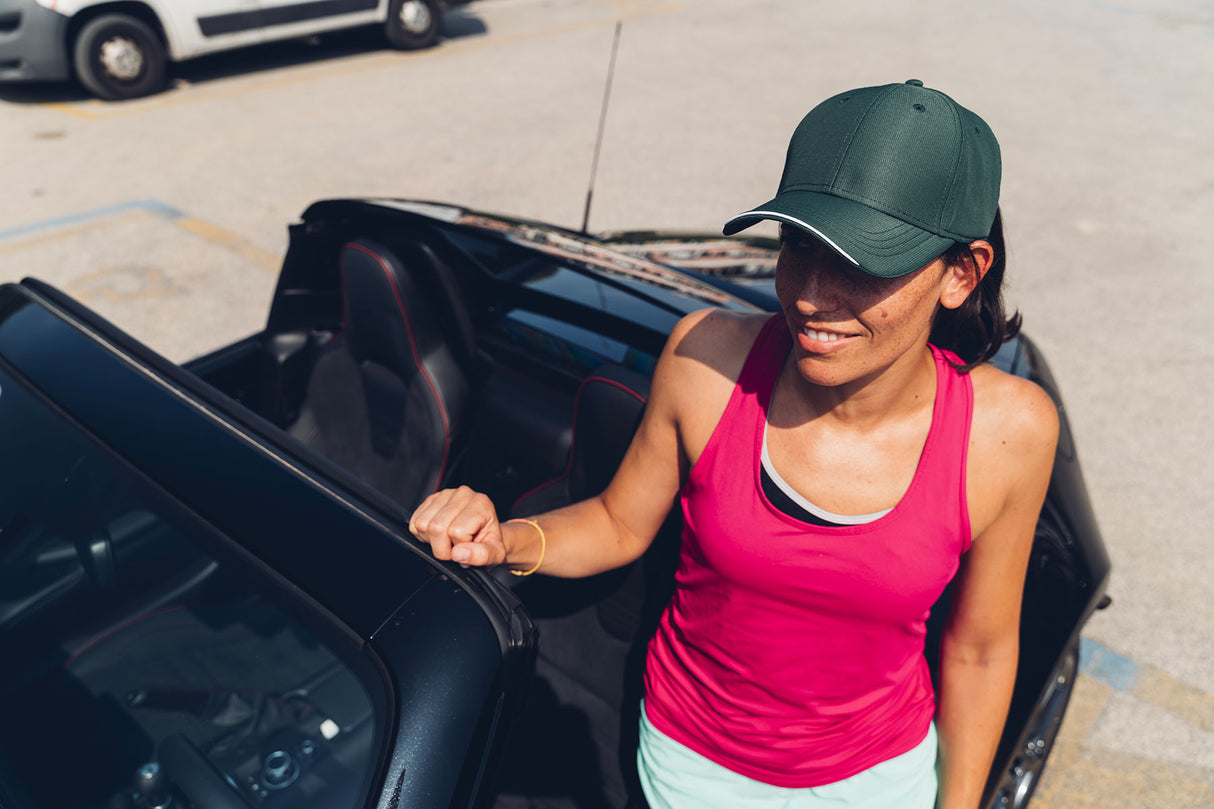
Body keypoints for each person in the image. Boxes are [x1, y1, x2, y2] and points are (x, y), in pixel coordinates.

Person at [409, 80, 1058, 809]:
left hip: (876, 783)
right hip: (688, 773)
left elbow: (981, 649)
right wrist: (506, 539)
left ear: (961, 274)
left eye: (861, 263)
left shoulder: (1010, 434)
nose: (809, 295)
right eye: (798, 244)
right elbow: (618, 522)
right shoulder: (706, 359)